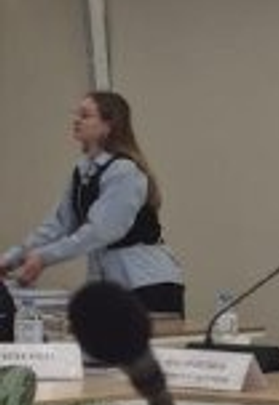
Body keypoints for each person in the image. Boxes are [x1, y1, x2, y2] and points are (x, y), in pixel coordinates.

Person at [0, 91, 185, 316]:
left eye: (85, 115)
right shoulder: (82, 171)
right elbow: (57, 225)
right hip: (109, 285)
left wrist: (43, 257)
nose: (76, 120)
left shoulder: (124, 171)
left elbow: (102, 230)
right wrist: (10, 259)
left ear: (108, 125)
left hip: (147, 283)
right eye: (76, 114)